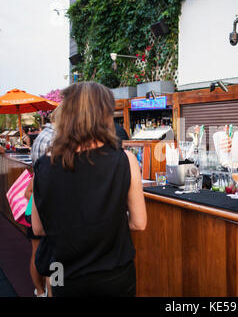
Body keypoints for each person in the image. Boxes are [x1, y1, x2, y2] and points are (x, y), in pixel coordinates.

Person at [31, 81, 147, 297]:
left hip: (63, 274)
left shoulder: (44, 166)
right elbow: (139, 223)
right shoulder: (126, 160)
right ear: (104, 115)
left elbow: (38, 228)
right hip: (115, 275)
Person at [24, 108, 60, 297]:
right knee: (52, 257)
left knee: (38, 252)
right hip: (46, 203)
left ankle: (40, 292)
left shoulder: (41, 135)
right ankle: (49, 292)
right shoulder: (54, 139)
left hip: (35, 202)